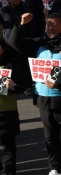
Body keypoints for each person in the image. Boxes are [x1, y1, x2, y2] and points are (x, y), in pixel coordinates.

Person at [10, 12, 61, 175]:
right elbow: (14, 43)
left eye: (53, 25)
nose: (49, 28)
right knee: (51, 138)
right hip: (44, 100)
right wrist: (20, 25)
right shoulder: (38, 44)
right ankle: (55, 168)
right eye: (47, 24)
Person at [0, 38, 27, 175]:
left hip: (7, 112)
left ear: (3, 48)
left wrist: (14, 86)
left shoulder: (12, 63)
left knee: (8, 146)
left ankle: (9, 172)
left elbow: (22, 86)